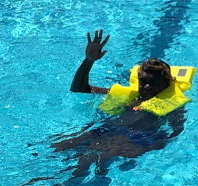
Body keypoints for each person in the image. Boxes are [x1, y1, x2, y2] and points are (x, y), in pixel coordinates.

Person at [51, 30, 186, 185]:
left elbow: (174, 133)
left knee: (88, 161)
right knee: (59, 147)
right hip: (105, 130)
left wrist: (147, 147)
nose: (146, 87)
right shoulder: (128, 95)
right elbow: (78, 88)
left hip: (132, 139)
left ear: (167, 83)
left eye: (153, 83)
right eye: (143, 81)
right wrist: (88, 60)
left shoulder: (173, 107)